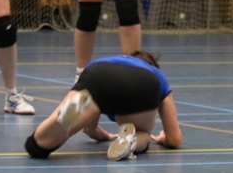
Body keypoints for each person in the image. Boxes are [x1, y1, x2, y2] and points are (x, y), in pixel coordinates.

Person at [25, 50, 182, 161]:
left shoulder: (109, 60)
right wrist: (164, 139)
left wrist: (103, 136)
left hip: (97, 72)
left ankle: (66, 115)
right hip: (143, 81)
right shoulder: (157, 75)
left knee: (37, 147)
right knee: (142, 134)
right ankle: (130, 141)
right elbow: (174, 139)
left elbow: (89, 128)